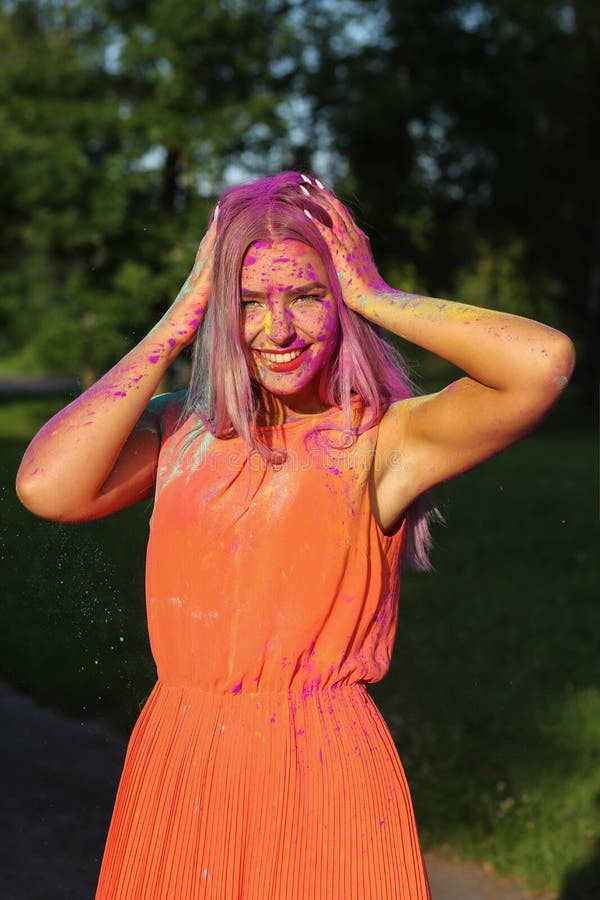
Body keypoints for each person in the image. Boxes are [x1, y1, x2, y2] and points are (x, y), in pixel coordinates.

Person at [16, 171, 575, 899]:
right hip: (183, 759)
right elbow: (46, 487)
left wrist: (375, 294)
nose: (277, 331)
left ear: (338, 299)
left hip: (326, 770)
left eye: (307, 297)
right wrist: (183, 313)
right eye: (248, 303)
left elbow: (543, 363)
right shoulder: (178, 429)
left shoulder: (383, 439)